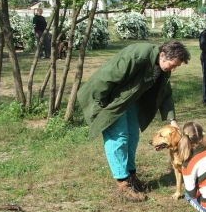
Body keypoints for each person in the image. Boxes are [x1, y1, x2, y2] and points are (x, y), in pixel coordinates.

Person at [77, 41, 190, 202]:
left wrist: (172, 119)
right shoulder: (137, 56)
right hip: (110, 99)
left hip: (129, 100)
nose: (173, 69)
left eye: (176, 67)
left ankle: (130, 175)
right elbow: (107, 76)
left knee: (132, 135)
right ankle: (122, 182)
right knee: (119, 137)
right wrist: (99, 105)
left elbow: (165, 93)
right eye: (173, 65)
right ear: (163, 55)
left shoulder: (164, 67)